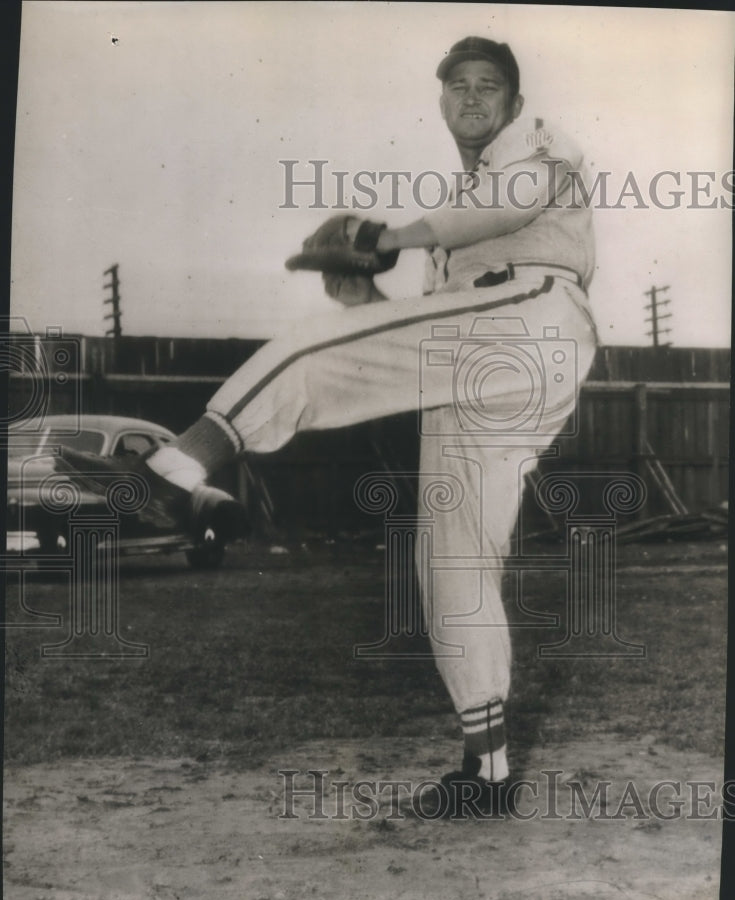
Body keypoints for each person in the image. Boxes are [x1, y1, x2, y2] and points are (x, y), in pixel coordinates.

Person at [58, 36, 598, 817]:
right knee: (451, 561)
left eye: (490, 86)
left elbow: (503, 208)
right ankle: (487, 774)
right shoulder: (455, 218)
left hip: (533, 320)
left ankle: (173, 477)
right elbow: (410, 342)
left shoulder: (540, 146)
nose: (474, 98)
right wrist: (364, 303)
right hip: (488, 359)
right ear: (441, 102)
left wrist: (383, 240)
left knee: (303, 350)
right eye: (457, 86)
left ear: (515, 104)